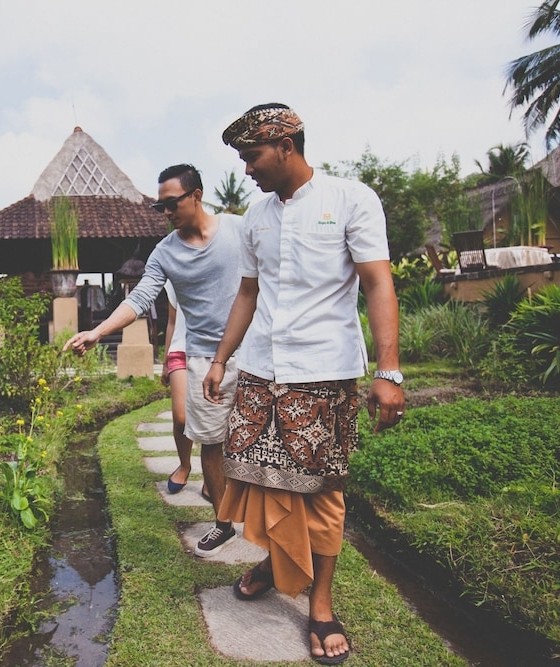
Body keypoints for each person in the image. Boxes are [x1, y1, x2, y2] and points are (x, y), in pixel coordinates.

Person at [203, 103, 405, 665]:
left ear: (286, 145)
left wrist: (388, 371)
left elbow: (377, 284)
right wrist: (222, 359)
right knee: (260, 482)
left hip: (322, 374)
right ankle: (276, 561)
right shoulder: (255, 214)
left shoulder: (351, 199)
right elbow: (248, 293)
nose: (246, 169)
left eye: (252, 157)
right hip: (261, 370)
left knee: (320, 491)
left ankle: (320, 601)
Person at [64, 163, 243, 557]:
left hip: (252, 353)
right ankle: (224, 523)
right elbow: (140, 298)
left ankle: (265, 521)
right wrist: (98, 332)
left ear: (196, 194)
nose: (165, 212)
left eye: (171, 203)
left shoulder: (238, 230)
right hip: (201, 358)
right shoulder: (165, 252)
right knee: (211, 444)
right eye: (159, 206)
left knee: (252, 444)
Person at [161, 280, 196, 495]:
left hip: (216, 349)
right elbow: (172, 322)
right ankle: (185, 465)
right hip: (180, 348)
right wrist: (165, 361)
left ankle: (213, 474)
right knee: (181, 417)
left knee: (216, 420)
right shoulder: (176, 272)